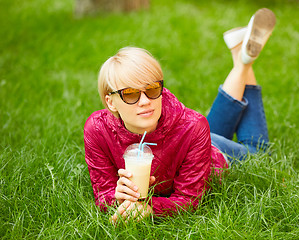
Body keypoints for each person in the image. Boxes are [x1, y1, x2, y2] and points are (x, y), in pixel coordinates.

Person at [84, 8, 276, 223]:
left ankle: (243, 61)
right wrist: (116, 197)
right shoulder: (98, 129)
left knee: (259, 153)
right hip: (194, 141)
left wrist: (148, 208)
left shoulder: (192, 126)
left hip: (212, 156)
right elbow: (103, 194)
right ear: (111, 102)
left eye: (153, 89)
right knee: (203, 129)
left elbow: (189, 199)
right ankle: (241, 56)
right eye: (130, 94)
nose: (146, 101)